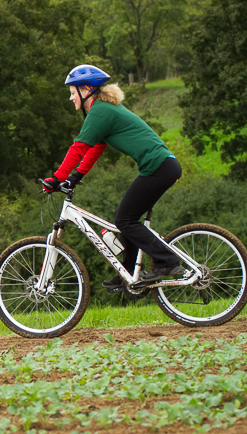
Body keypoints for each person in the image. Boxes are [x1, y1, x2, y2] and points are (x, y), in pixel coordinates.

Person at [44, 64, 183, 292]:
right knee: (125, 220)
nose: (70, 98)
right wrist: (76, 175)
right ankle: (128, 272)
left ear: (86, 89)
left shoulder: (100, 111)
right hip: (162, 166)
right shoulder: (102, 111)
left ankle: (167, 261)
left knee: (124, 219)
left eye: (72, 92)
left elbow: (78, 148)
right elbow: (96, 148)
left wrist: (56, 178)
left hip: (159, 167)